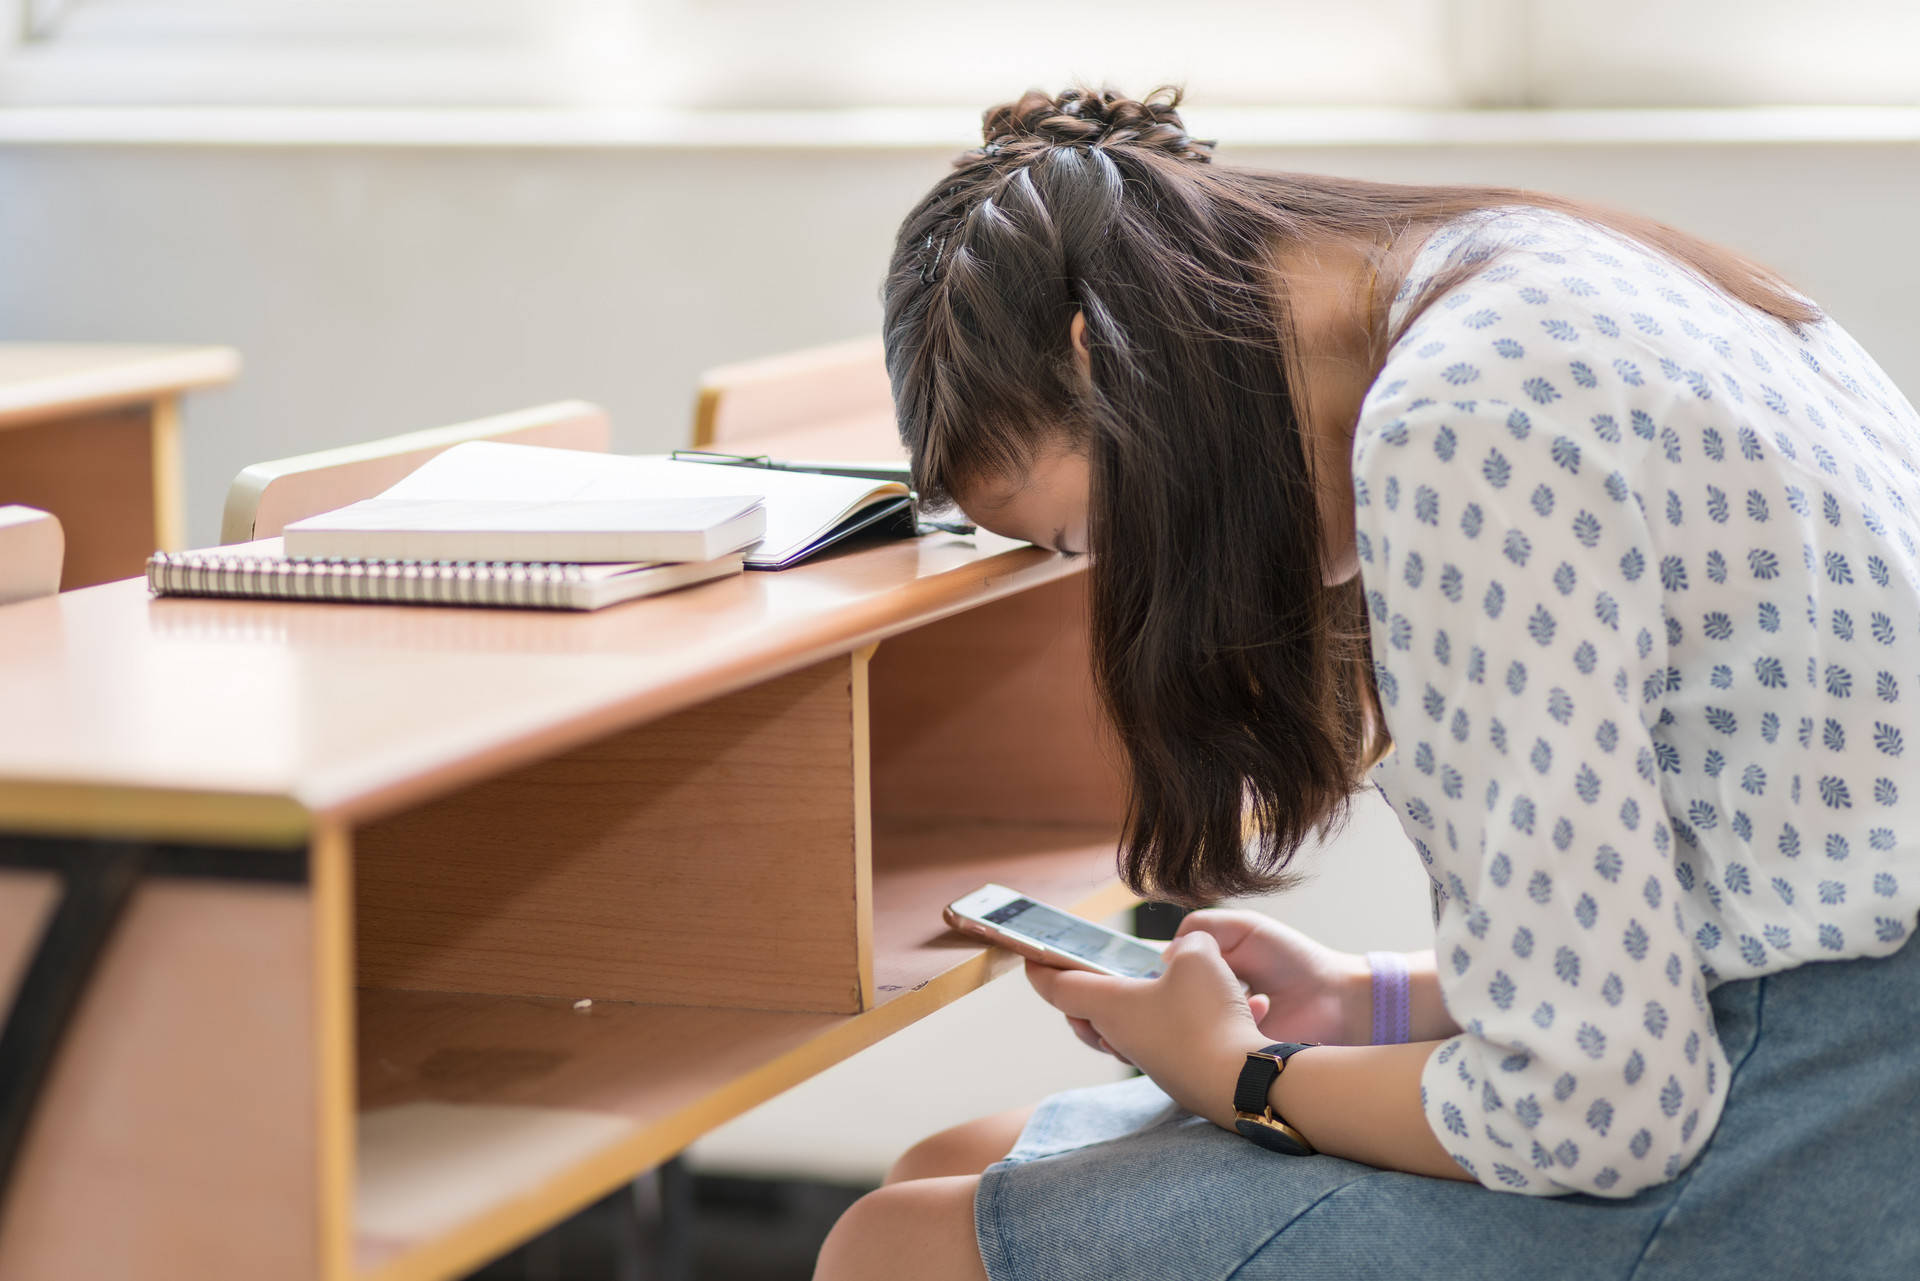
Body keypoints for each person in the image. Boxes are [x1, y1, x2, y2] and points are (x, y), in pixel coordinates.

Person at [814, 85, 1920, 1281]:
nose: (1127, 589)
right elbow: (1762, 906)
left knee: (900, 1250)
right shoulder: (1558, 269)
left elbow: (1598, 1112)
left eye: (1092, 541)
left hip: (1814, 1149)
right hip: (1834, 1073)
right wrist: (1369, 1002)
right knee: (950, 1164)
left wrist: (1241, 1077)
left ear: (1109, 369)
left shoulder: (1457, 430)